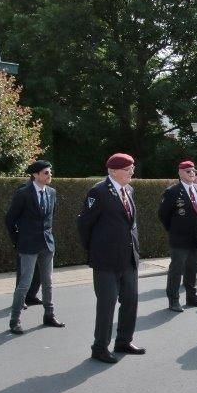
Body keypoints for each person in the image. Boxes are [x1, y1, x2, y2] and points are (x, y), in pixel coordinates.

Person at [77, 153, 145, 363]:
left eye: (132, 168)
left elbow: (130, 222)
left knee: (131, 300)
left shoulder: (129, 190)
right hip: (106, 260)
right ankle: (100, 347)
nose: (132, 172)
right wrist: (95, 250)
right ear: (113, 171)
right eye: (127, 169)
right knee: (107, 304)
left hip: (128, 257)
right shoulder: (98, 192)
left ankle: (124, 341)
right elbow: (84, 224)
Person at [5, 160, 65, 334]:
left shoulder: (52, 193)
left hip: (47, 243)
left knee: (48, 282)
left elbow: (50, 218)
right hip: (28, 245)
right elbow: (10, 219)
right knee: (24, 283)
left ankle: (49, 315)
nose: (49, 175)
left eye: (50, 172)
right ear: (36, 175)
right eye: (46, 172)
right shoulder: (23, 193)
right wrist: (18, 240)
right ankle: (14, 320)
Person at [158, 161, 197, 312]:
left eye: (193, 170)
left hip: (196, 238)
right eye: (188, 171)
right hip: (179, 238)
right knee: (176, 270)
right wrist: (174, 230)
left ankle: (192, 298)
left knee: (192, 269)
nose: (191, 173)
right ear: (180, 173)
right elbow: (163, 215)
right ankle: (173, 300)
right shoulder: (172, 192)